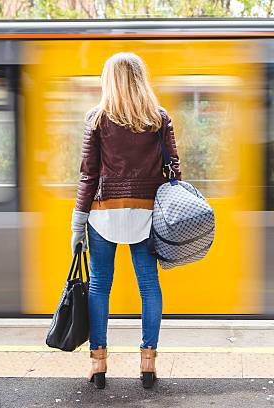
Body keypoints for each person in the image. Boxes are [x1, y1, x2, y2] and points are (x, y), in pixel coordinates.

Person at [70, 52, 181, 390]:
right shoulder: (158, 118)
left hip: (104, 214)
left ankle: (98, 364)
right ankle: (148, 364)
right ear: (139, 79)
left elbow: (88, 174)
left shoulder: (97, 118)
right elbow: (174, 168)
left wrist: (78, 222)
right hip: (147, 214)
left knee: (100, 285)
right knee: (149, 286)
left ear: (110, 81)